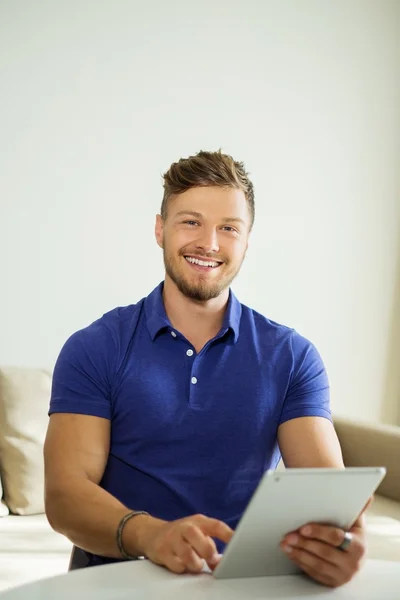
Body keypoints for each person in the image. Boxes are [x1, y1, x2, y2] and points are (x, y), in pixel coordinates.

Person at [44, 150, 368, 588]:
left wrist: (342, 544)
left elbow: (328, 495)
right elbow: (65, 495)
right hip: (116, 581)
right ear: (160, 229)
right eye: (191, 221)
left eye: (228, 228)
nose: (209, 244)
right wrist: (152, 535)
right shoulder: (96, 347)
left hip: (241, 582)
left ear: (247, 240)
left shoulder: (291, 356)